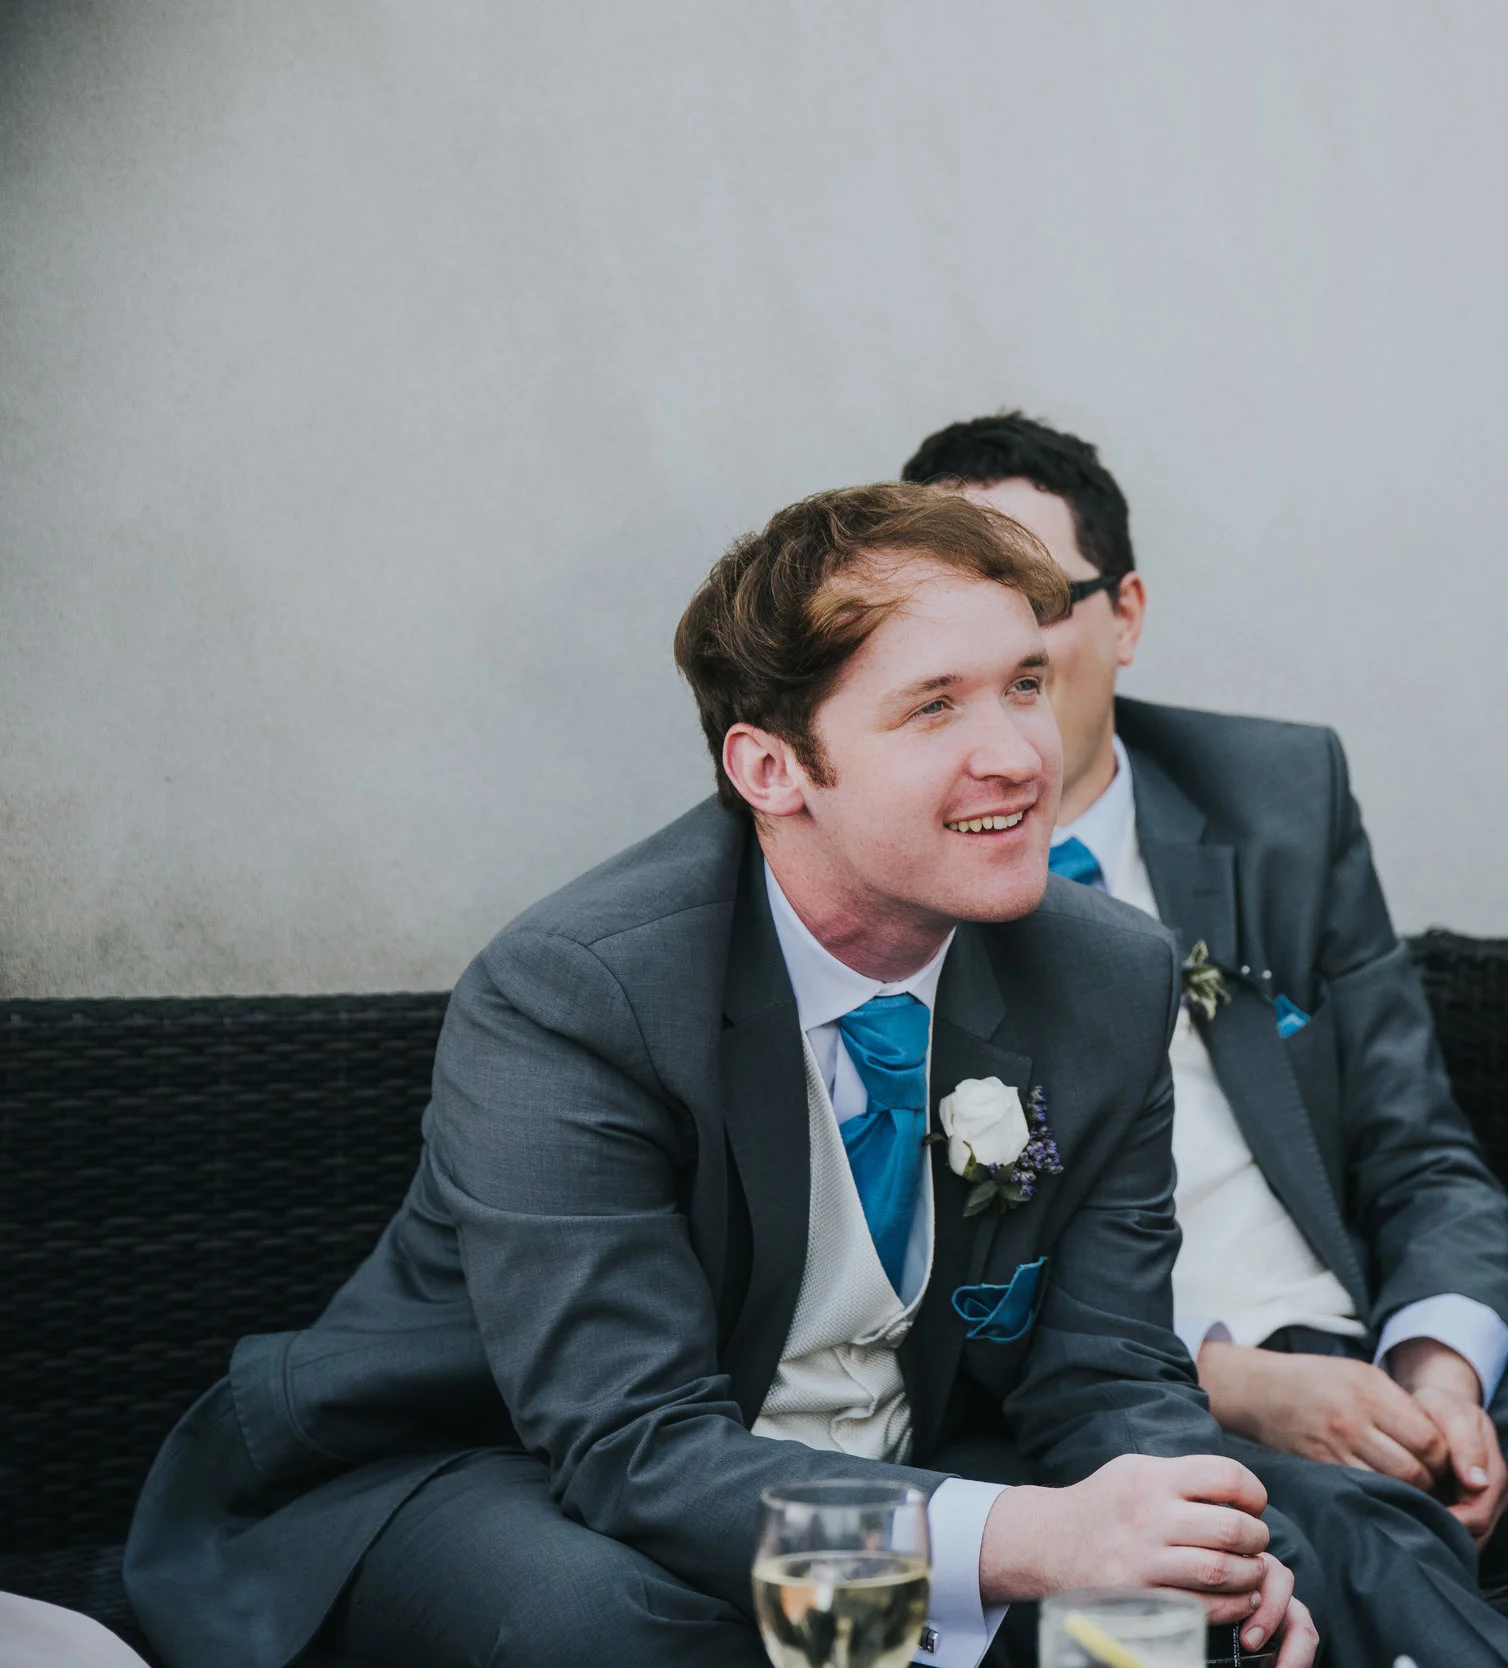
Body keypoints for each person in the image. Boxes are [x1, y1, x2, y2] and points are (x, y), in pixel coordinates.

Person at [121, 484, 1318, 1668]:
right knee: (616, 1630)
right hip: (503, 1472)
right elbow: (631, 1444)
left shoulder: (1107, 973)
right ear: (771, 769)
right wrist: (1023, 1540)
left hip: (893, 1468)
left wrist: (1196, 1541)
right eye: (932, 708)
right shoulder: (578, 991)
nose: (1016, 755)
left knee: (1210, 1607)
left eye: (1023, 685)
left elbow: (1107, 1370)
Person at [902, 414, 1508, 1667]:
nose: (1009, 665)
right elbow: (936, 1291)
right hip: (1128, 1408)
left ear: (1126, 614)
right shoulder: (903, 866)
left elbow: (1419, 1149)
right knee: (1352, 1546)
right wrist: (1236, 1385)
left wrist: (1439, 1376)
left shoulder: (1275, 800)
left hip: (1374, 1352)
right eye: (959, 625)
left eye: (1037, 608)